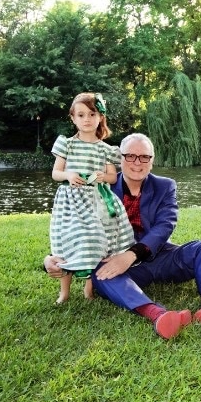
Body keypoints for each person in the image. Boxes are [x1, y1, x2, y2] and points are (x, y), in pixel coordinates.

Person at [45, 132, 201, 339]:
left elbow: (165, 226)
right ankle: (158, 315)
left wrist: (130, 255)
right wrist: (51, 260)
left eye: (144, 157)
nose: (137, 162)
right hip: (119, 267)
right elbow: (75, 226)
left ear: (152, 160)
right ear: (119, 158)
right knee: (100, 273)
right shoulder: (98, 188)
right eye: (130, 156)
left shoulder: (165, 186)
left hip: (159, 256)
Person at [48, 92, 135, 305]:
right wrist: (68, 175)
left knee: (96, 241)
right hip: (71, 202)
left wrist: (100, 177)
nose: (86, 119)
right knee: (70, 241)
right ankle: (64, 291)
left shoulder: (106, 149)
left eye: (92, 113)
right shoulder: (67, 144)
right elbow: (55, 173)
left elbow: (113, 177)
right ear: (73, 118)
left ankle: (89, 289)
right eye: (81, 114)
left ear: (100, 117)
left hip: (97, 201)